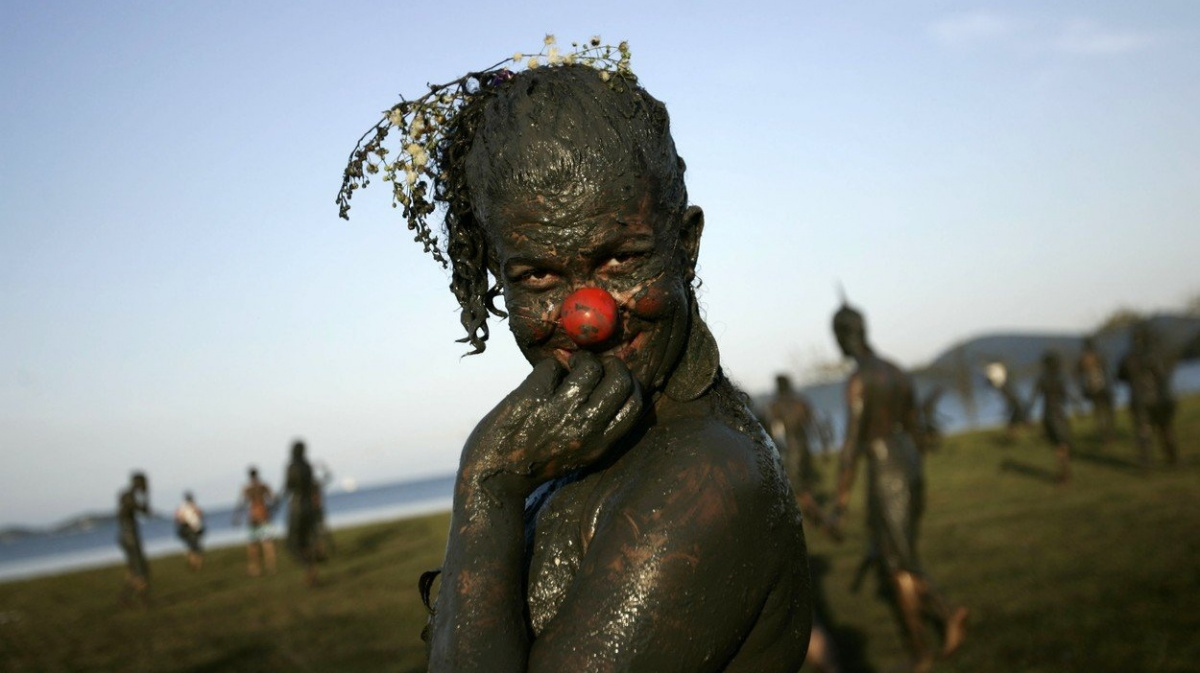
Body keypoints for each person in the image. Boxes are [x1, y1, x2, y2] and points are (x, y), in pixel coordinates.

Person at [340, 49, 812, 671]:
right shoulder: (578, 448)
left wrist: (486, 486)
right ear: (497, 283)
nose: (587, 316)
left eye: (619, 260)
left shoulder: (708, 477)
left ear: (685, 245)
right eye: (538, 275)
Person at [827, 303, 967, 673]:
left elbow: (851, 446)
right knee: (896, 559)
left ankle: (939, 625)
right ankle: (926, 641)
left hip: (887, 471)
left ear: (843, 336)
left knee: (899, 562)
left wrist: (840, 502)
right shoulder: (897, 372)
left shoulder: (860, 381)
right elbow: (916, 428)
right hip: (909, 462)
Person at [767, 373, 828, 528]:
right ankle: (813, 518)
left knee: (798, 488)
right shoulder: (800, 402)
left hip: (791, 448)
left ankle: (822, 520)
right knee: (805, 484)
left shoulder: (776, 405)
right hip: (805, 446)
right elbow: (816, 424)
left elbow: (776, 431)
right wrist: (824, 447)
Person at [1118, 321, 1178, 466]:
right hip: (1157, 399)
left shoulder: (1128, 358)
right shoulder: (1154, 355)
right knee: (1165, 429)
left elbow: (1119, 377)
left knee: (1143, 432)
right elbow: (1163, 375)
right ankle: (1173, 460)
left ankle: (1147, 462)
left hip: (1138, 400)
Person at [1029, 351, 1073, 484]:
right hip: (1058, 413)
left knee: (1057, 445)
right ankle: (1064, 472)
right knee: (1063, 443)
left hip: (1046, 414)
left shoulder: (1042, 379)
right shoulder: (1059, 378)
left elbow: (1034, 398)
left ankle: (1063, 472)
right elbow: (1066, 395)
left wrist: (1027, 415)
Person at [282, 439, 320, 586]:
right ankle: (311, 571)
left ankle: (308, 568)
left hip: (297, 506)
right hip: (309, 505)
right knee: (307, 541)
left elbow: (288, 486)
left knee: (292, 543)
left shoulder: (292, 466)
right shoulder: (308, 466)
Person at [233, 466, 277, 577]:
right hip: (264, 514)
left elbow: (242, 503)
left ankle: (255, 568)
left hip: (253, 516)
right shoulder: (264, 486)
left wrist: (237, 517)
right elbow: (273, 499)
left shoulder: (247, 488)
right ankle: (270, 566)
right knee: (267, 543)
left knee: (253, 545)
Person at [117, 471, 150, 605]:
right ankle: (144, 600)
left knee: (135, 569)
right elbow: (140, 510)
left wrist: (145, 496)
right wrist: (144, 495)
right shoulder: (127, 496)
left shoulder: (130, 496)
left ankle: (125, 598)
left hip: (128, 534)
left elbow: (144, 512)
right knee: (139, 568)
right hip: (129, 534)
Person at [1076, 336, 1115, 439]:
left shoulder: (1083, 359)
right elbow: (1106, 371)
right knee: (1107, 411)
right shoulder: (1098, 357)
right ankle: (1109, 433)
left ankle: (1104, 434)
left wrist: (1083, 389)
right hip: (1103, 386)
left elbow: (1078, 376)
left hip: (1092, 389)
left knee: (1099, 412)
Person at [984, 361, 1026, 440]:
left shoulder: (995, 368)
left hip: (1003, 385)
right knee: (1015, 405)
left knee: (1015, 405)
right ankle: (1012, 429)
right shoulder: (994, 370)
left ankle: (1015, 427)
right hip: (1002, 385)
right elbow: (994, 381)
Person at [174, 490, 206, 570]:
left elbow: (178, 518)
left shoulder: (183, 507)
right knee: (195, 547)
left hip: (190, 529)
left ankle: (195, 564)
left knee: (193, 547)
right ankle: (196, 564)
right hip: (191, 529)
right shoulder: (189, 507)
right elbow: (199, 515)